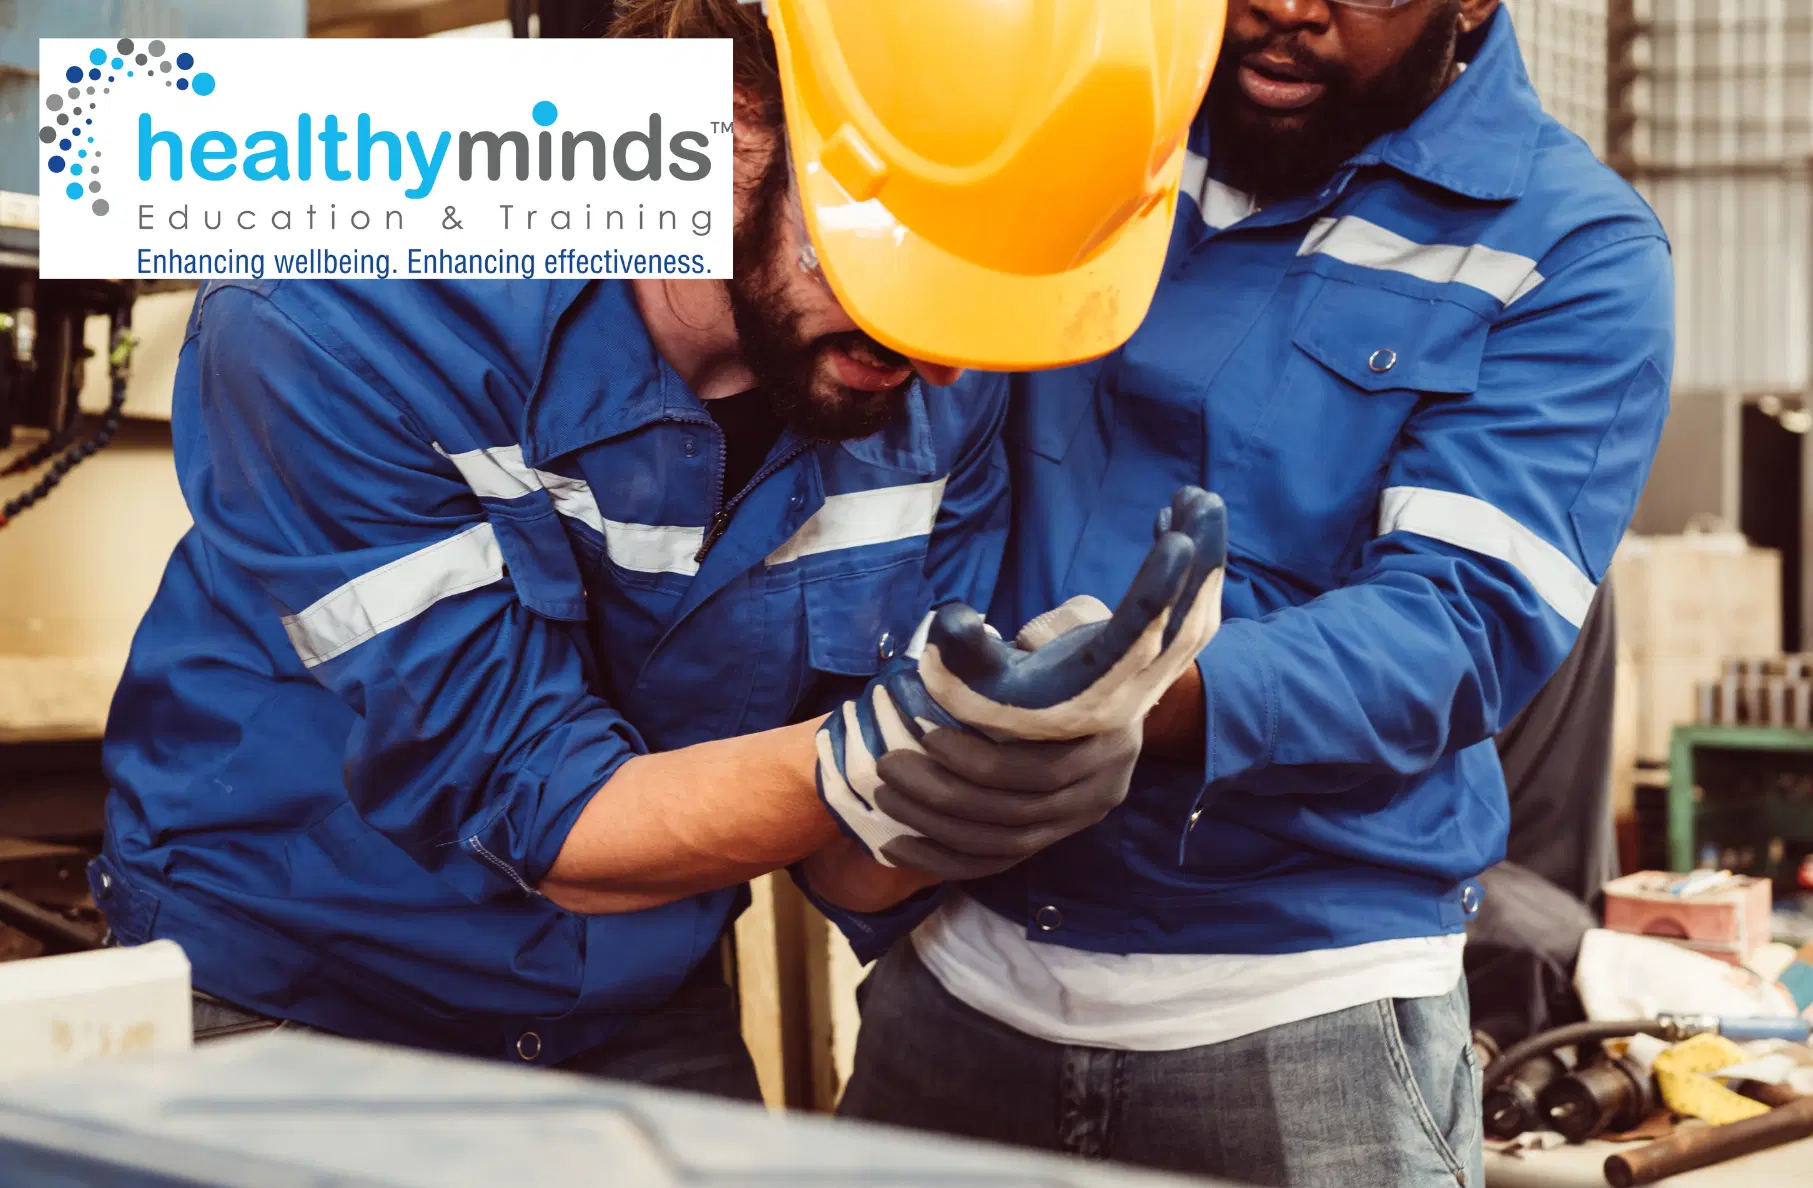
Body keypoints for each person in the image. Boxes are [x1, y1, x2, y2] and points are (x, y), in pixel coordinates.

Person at [92, 0, 1218, 1097]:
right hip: (298, 994)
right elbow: (549, 816)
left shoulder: (934, 382)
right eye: (908, 268)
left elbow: (850, 865)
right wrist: (884, 752)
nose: (940, 363)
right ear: (730, 127)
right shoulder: (341, 314)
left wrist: (1016, 767)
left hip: (633, 998)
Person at [826, 2, 1675, 1186]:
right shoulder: (1071, 136)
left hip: (1307, 1029)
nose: (1285, 7)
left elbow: (1457, 621)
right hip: (961, 984)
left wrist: (1146, 696)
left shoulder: (1566, 246)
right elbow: (927, 452)